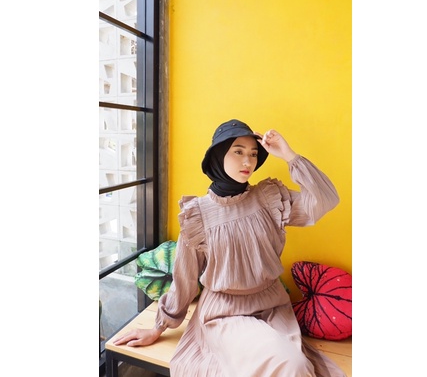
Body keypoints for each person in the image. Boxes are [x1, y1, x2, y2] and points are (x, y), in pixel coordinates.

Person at [114, 119, 345, 377]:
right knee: (291, 365)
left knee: (296, 365)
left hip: (274, 307)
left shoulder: (270, 199)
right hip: (225, 314)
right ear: (218, 156)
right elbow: (185, 278)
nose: (248, 161)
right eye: (238, 151)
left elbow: (325, 200)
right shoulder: (198, 215)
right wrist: (158, 327)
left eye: (253, 154)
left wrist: (289, 155)